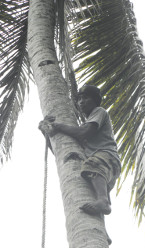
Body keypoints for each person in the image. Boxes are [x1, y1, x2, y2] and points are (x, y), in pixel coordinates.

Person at [39, 85, 121, 216]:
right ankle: (103, 222)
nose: (81, 101)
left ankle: (103, 201)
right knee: (92, 198)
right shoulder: (86, 123)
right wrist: (46, 132)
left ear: (95, 100)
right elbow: (60, 151)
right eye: (79, 99)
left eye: (86, 98)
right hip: (102, 168)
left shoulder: (99, 112)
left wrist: (58, 126)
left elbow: (84, 132)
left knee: (92, 167)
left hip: (105, 157)